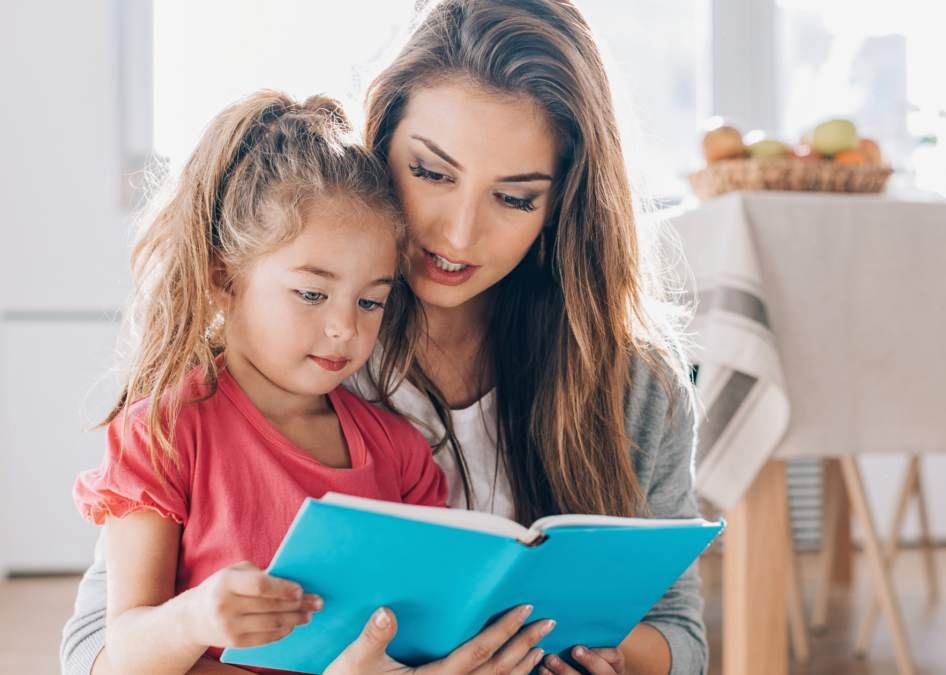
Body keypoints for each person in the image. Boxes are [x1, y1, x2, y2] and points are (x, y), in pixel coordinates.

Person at [62, 2, 707, 675]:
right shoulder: (293, 359)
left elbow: (680, 632)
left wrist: (600, 657)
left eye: (514, 197)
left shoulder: (634, 383)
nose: (460, 233)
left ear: (560, 206)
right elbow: (92, 654)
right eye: (431, 173)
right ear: (381, 142)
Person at [69, 90, 554, 675]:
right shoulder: (165, 433)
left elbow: (419, 632)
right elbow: (119, 656)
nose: (345, 328)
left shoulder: (400, 452)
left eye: (372, 301)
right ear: (223, 279)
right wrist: (191, 619)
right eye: (312, 293)